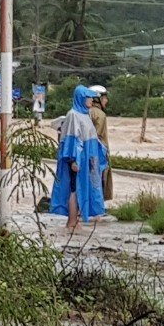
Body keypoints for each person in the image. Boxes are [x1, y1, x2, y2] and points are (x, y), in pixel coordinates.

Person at [50, 89, 108, 229]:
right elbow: (71, 139)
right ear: (81, 98)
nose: (91, 100)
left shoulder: (85, 114)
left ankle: (76, 220)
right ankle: (71, 222)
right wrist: (73, 161)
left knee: (84, 187)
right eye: (88, 98)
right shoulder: (73, 115)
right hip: (78, 160)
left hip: (88, 159)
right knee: (74, 188)